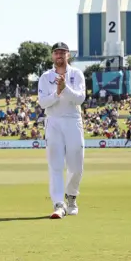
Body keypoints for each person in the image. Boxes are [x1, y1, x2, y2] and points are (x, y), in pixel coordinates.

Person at [38, 42, 86, 219]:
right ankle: (58, 203)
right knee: (55, 164)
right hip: (53, 121)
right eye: (56, 53)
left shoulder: (77, 74)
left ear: (68, 55)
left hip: (73, 120)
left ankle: (71, 196)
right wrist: (57, 94)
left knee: (76, 163)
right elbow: (43, 102)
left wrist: (65, 89)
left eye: (62, 53)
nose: (59, 56)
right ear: (52, 56)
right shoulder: (45, 76)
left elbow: (80, 98)